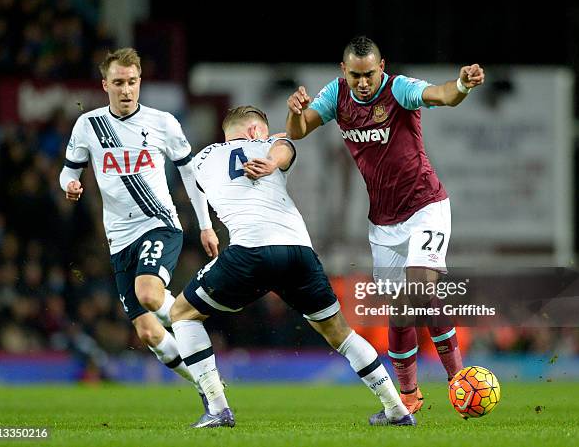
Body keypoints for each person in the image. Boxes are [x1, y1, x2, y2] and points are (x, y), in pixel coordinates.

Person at [169, 106, 415, 428]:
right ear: (257, 131)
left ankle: (217, 408)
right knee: (340, 332)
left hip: (249, 252)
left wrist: (205, 227)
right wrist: (272, 161)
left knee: (182, 314)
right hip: (298, 252)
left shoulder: (203, 159)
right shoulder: (270, 146)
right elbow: (284, 147)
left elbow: (191, 183)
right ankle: (396, 408)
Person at [285, 36, 485, 413]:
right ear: (344, 71)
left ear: (382, 67)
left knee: (421, 287)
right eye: (356, 75)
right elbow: (297, 131)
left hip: (426, 205)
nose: (364, 83)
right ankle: (409, 396)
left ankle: (461, 382)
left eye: (370, 75)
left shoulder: (399, 89)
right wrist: (296, 111)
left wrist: (460, 85)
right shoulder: (336, 95)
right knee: (399, 309)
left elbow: (442, 95)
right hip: (383, 222)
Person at [58, 47, 219, 409]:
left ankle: (193, 324)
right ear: (105, 85)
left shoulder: (163, 122)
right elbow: (69, 170)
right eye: (118, 83)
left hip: (159, 224)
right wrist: (68, 184)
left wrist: (206, 227)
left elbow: (190, 175)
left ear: (140, 82)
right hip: (118, 239)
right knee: (148, 332)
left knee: (148, 292)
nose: (126, 90)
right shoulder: (89, 125)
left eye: (132, 82)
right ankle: (209, 386)